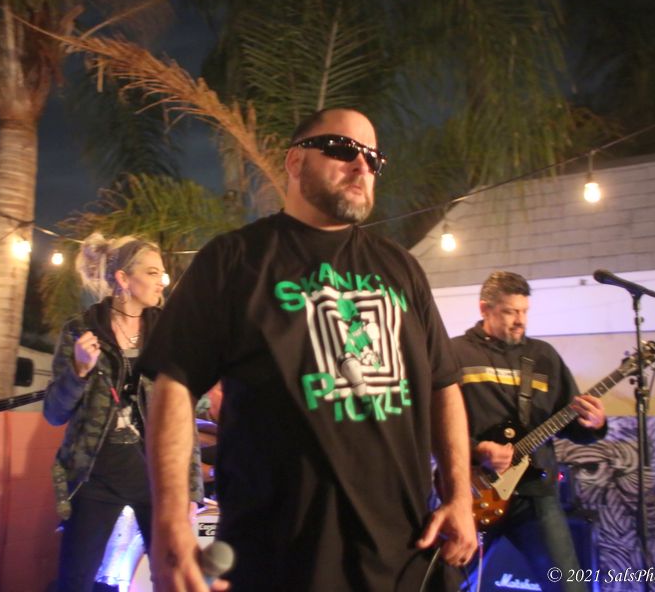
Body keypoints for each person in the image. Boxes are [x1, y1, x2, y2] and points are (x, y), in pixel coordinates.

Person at [140, 108, 478, 592]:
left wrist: (459, 496)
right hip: (278, 558)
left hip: (406, 554)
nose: (362, 166)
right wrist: (171, 517)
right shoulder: (234, 260)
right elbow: (174, 383)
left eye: (374, 159)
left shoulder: (402, 268)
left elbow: (444, 386)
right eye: (343, 150)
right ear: (296, 161)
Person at [43, 233, 202, 592]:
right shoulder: (80, 331)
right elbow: (54, 413)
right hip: (94, 478)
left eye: (163, 273)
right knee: (75, 582)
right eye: (152, 272)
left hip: (157, 479)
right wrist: (78, 372)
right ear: (123, 279)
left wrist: (191, 490)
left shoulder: (171, 334)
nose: (163, 281)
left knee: (173, 578)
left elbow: (183, 416)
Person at [450, 271, 607, 592]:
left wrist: (594, 424)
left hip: (536, 494)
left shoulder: (543, 357)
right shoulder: (455, 354)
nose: (519, 321)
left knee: (570, 586)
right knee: (442, 582)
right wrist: (478, 450)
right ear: (484, 309)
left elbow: (570, 425)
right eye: (510, 312)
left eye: (524, 311)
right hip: (472, 490)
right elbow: (433, 424)